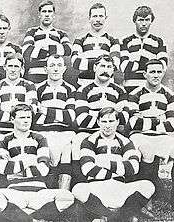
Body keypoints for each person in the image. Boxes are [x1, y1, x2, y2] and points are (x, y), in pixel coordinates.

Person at [0, 104, 74, 222]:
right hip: (15, 191)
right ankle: (34, 220)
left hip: (39, 192)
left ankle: (29, 218)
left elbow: (43, 169)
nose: (26, 121)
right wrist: (30, 161)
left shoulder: (39, 138)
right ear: (12, 119)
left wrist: (14, 164)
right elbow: (3, 168)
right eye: (22, 118)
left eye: (28, 117)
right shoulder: (5, 140)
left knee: (67, 196)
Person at [72, 107, 155, 222]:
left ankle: (110, 217)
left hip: (119, 187)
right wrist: (118, 169)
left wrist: (103, 163)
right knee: (77, 189)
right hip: (97, 187)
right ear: (98, 122)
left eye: (111, 121)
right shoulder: (89, 140)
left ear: (117, 122)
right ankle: (119, 217)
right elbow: (87, 168)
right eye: (104, 121)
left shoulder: (126, 141)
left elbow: (133, 168)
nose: (107, 125)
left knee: (148, 185)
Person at [127, 59, 174, 212]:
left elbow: (171, 125)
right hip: (139, 135)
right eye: (152, 72)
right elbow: (134, 124)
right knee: (147, 150)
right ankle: (146, 196)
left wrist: (146, 119)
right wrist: (157, 119)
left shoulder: (169, 95)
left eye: (159, 72)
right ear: (145, 74)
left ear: (163, 73)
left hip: (161, 136)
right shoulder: (135, 93)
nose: (156, 75)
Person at [71, 54, 129, 186]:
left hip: (112, 133)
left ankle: (120, 185)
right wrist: (113, 111)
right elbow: (82, 120)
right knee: (76, 143)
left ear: (113, 70)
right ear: (95, 67)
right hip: (88, 132)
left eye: (109, 67)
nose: (105, 70)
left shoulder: (120, 91)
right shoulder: (83, 90)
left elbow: (124, 119)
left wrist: (94, 114)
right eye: (102, 66)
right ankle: (78, 186)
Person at [35, 54, 76, 189]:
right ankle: (43, 192)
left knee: (68, 148)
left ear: (64, 69)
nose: (56, 69)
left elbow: (70, 117)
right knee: (42, 149)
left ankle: (63, 192)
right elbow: (34, 116)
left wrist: (45, 110)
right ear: (46, 69)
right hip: (43, 131)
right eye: (52, 65)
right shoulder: (37, 88)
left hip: (64, 131)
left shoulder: (71, 89)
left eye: (59, 65)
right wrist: (60, 114)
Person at [0, 53, 38, 160]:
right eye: (10, 66)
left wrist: (7, 110)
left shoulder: (29, 86)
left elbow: (32, 111)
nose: (13, 70)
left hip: (20, 132)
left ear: (22, 68)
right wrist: (19, 113)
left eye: (16, 66)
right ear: (5, 67)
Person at [120, 6, 168, 93]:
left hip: (150, 89)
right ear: (135, 21)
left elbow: (162, 67)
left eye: (147, 20)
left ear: (151, 21)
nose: (144, 24)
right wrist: (149, 63)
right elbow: (124, 67)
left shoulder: (159, 42)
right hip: (129, 88)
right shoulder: (125, 41)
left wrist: (135, 64)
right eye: (141, 20)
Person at [22, 0, 72, 83]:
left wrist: (40, 49)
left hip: (55, 75)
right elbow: (26, 50)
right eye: (44, 11)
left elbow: (68, 50)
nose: (47, 14)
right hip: (36, 74)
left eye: (50, 11)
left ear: (54, 15)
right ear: (39, 15)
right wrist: (55, 50)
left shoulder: (61, 33)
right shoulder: (31, 32)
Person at [71, 3, 120, 87]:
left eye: (101, 16)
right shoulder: (79, 40)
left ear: (105, 18)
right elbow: (75, 63)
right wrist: (104, 65)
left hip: (107, 85)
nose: (98, 20)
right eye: (94, 16)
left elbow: (115, 64)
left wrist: (86, 63)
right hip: (84, 84)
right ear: (89, 18)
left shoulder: (113, 41)